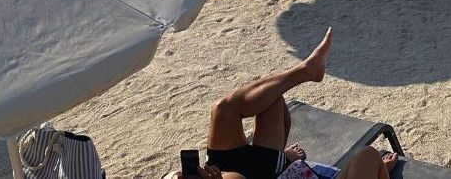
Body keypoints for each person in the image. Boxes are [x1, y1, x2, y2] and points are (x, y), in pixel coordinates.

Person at [162, 30, 398, 179]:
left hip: (221, 165)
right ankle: (280, 161)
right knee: (368, 156)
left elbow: (170, 176)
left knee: (226, 109)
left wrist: (176, 176)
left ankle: (306, 71)